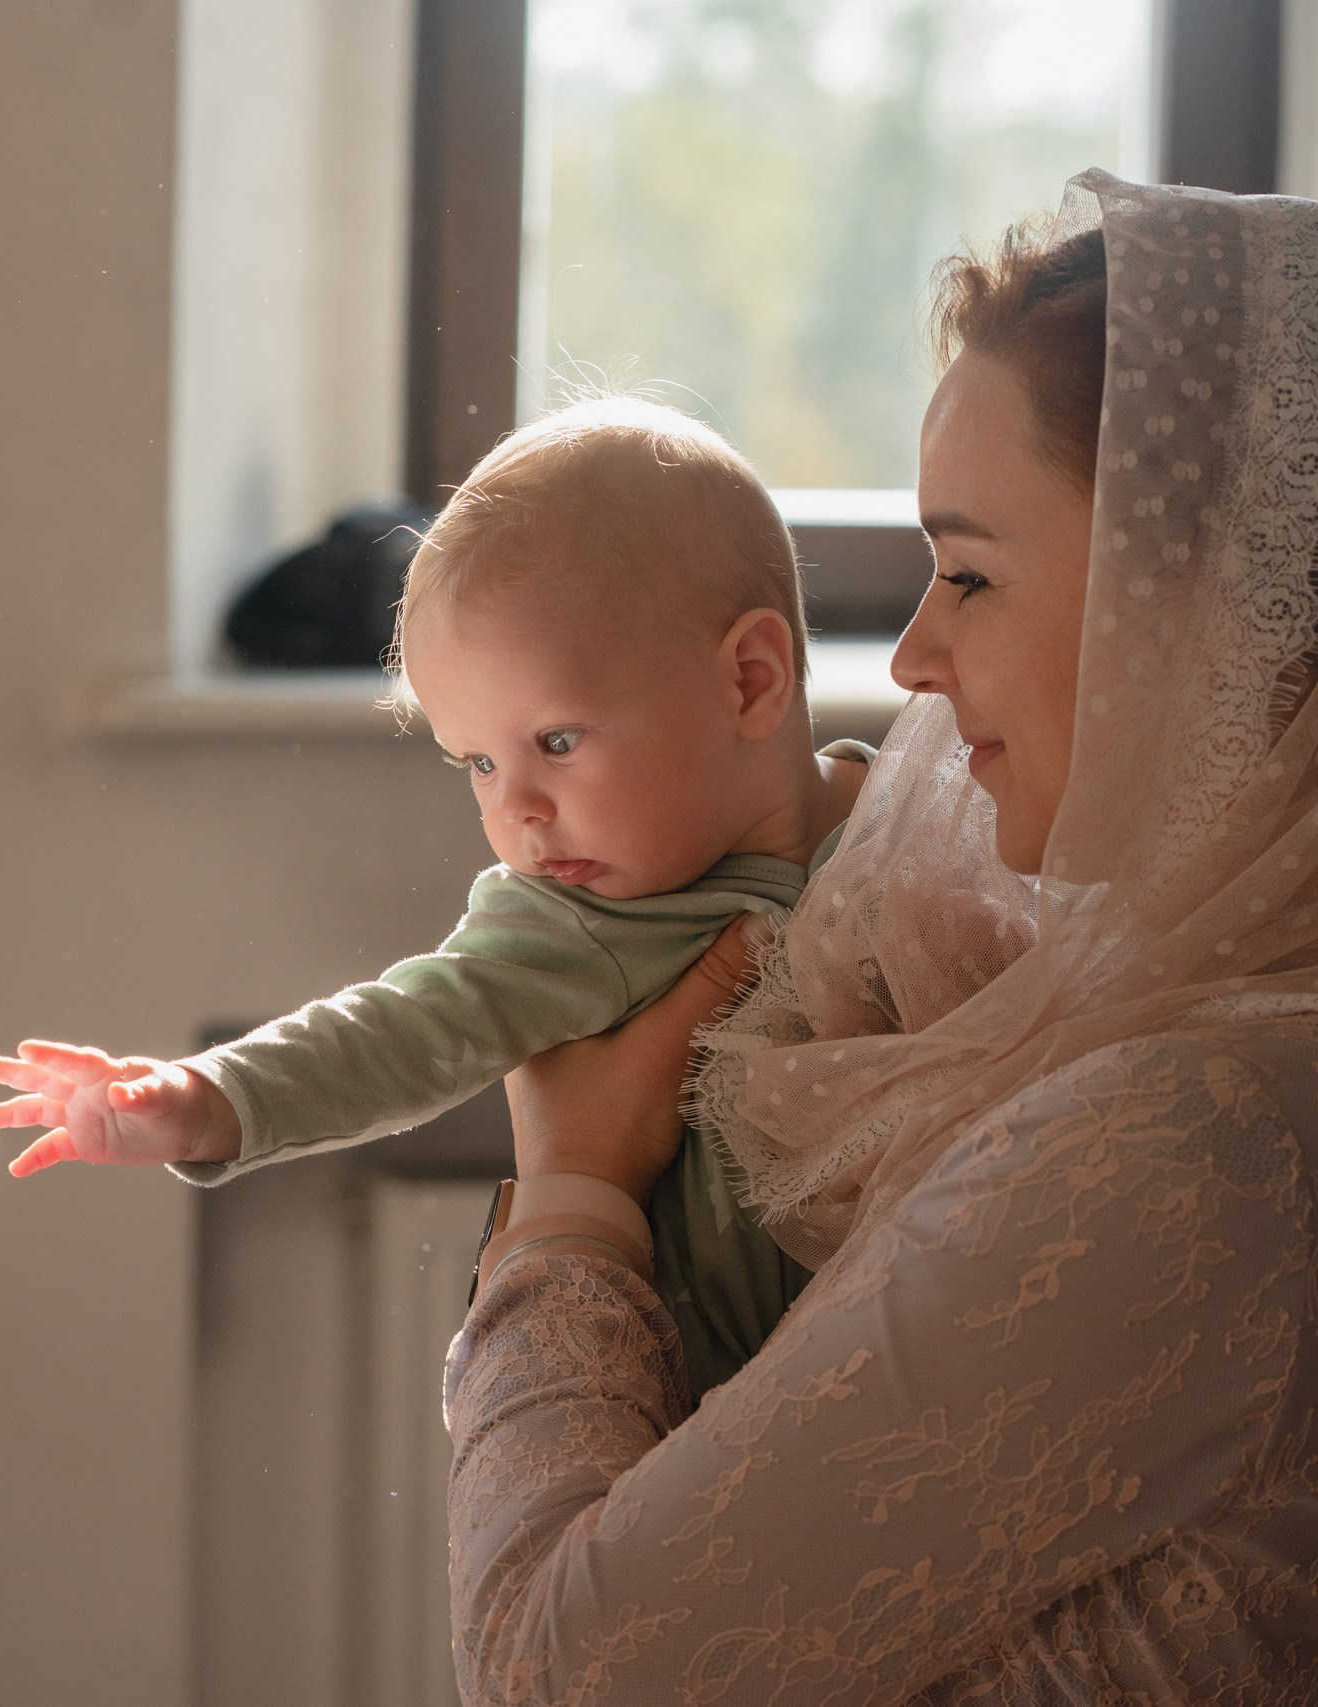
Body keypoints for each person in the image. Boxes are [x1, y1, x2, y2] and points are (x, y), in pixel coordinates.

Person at [440, 169, 1318, 1700]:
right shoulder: (1155, 1020)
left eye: (970, 573)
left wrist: (569, 1197)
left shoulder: (1196, 1139)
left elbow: (555, 1671)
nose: (912, 656)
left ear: (1210, 606)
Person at [0, 398, 871, 1396]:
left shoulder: (914, 820)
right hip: (708, 1406)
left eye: (557, 742)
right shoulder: (576, 920)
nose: (516, 809)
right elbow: (401, 1027)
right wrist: (206, 1098)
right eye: (477, 762)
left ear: (750, 679)